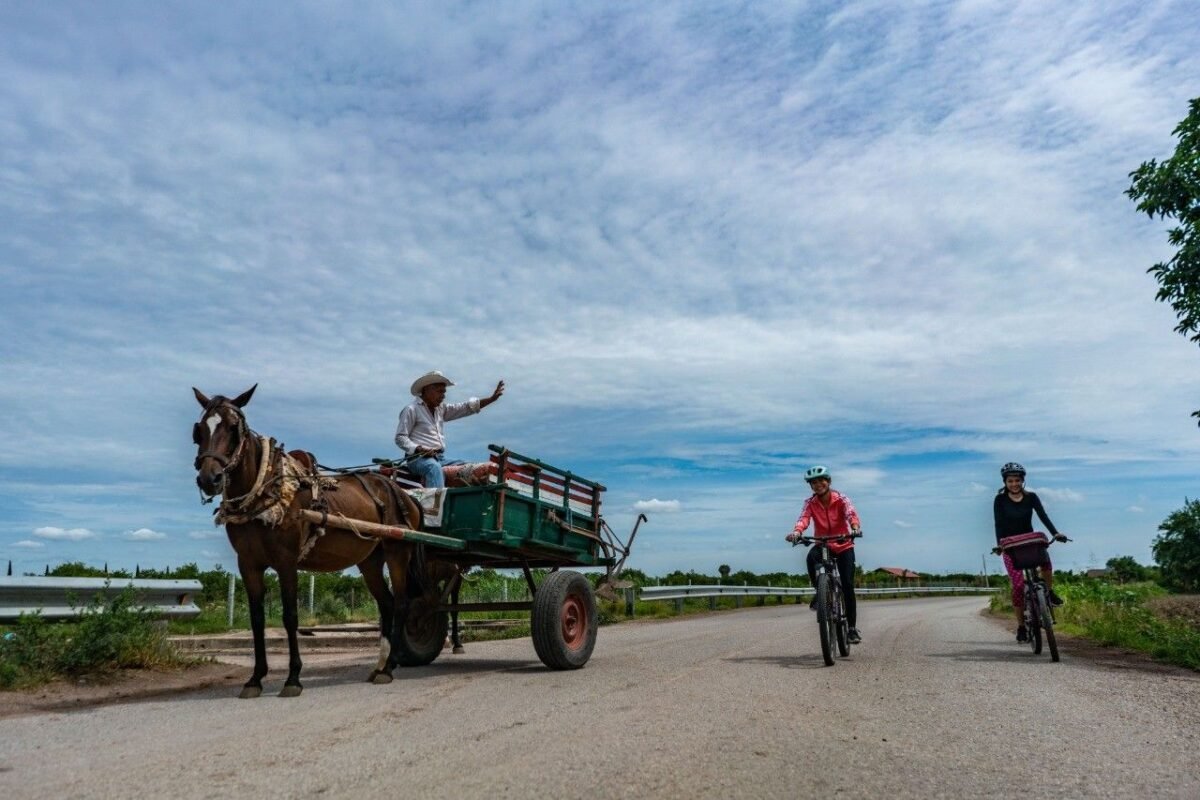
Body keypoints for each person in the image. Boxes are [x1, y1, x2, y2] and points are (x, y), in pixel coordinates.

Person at [786, 465, 863, 644]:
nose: (818, 484)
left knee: (848, 584)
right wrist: (797, 532)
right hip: (823, 543)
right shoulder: (810, 503)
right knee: (811, 558)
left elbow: (850, 513)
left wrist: (854, 527)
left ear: (828, 481)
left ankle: (851, 629)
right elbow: (803, 518)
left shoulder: (841, 499)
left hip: (843, 543)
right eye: (813, 482)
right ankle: (820, 592)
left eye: (821, 480)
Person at [994, 461, 1068, 643]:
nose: (1014, 484)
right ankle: (1021, 626)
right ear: (1005, 482)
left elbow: (1043, 516)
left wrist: (1055, 533)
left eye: (1017, 480)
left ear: (1023, 480)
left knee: (1046, 561)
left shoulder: (1032, 497)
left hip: (1029, 542)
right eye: (1010, 481)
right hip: (1010, 546)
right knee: (1018, 586)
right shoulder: (1000, 500)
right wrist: (999, 545)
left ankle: (1048, 593)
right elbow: (998, 523)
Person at [394, 371, 505, 489]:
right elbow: (400, 438)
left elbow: (465, 407)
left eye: (444, 392)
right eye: (440, 391)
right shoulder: (411, 409)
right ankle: (435, 506)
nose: (443, 396)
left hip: (439, 458)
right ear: (427, 390)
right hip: (418, 459)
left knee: (469, 467)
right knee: (434, 468)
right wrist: (418, 449)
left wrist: (491, 399)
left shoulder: (440, 409)